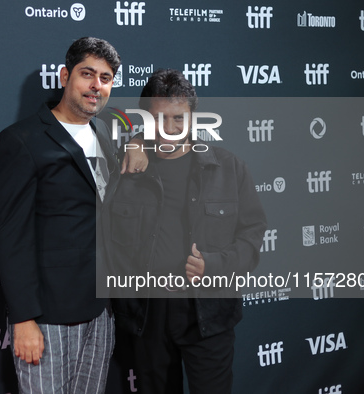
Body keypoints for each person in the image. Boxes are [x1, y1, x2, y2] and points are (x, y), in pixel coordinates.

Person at [0, 37, 147, 394]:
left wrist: (137, 144)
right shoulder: (22, 140)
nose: (96, 86)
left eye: (106, 78)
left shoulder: (106, 131)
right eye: (87, 74)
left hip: (101, 309)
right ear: (65, 76)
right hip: (48, 314)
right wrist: (24, 318)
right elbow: (10, 234)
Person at [105, 69, 267, 393]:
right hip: (147, 315)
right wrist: (135, 144)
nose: (169, 130)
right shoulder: (125, 169)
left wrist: (215, 266)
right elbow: (108, 243)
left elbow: (252, 235)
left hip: (208, 310)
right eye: (158, 119)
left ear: (194, 118)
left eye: (178, 119)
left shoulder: (229, 167)